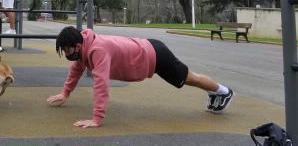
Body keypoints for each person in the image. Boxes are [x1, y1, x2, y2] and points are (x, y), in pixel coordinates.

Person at [46, 26, 235, 128]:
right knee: (190, 78)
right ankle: (215, 93)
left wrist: (96, 119)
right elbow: (76, 70)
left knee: (190, 78)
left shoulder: (97, 50)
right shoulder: (84, 47)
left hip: (154, 56)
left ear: (77, 46)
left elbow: (101, 85)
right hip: (148, 48)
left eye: (66, 49)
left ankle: (223, 91)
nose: (66, 52)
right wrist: (65, 93)